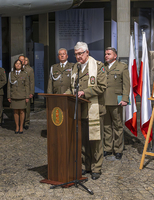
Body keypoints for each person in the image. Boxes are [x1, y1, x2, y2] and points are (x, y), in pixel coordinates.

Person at [65, 42, 107, 180]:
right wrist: (64, 95)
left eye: (80, 54)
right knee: (82, 140)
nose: (78, 57)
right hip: (80, 110)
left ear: (87, 53)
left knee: (95, 140)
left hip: (94, 109)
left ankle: (96, 167)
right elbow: (72, 87)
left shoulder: (98, 66)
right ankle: (85, 165)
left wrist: (85, 92)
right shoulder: (75, 68)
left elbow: (101, 87)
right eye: (76, 54)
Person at [103, 47, 130, 160]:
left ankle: (118, 149)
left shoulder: (122, 67)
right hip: (104, 101)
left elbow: (126, 84)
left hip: (116, 101)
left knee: (118, 126)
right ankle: (108, 148)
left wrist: (125, 98)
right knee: (106, 126)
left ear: (115, 56)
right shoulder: (102, 68)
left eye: (109, 54)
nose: (106, 56)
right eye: (105, 54)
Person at [7, 59, 29, 134]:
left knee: (22, 111)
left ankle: (21, 126)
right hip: (14, 95)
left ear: (22, 65)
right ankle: (17, 126)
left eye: (19, 64)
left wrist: (27, 96)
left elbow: (27, 86)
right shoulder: (11, 74)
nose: (18, 65)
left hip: (22, 95)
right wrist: (9, 96)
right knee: (15, 111)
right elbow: (9, 86)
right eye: (16, 64)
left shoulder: (24, 74)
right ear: (14, 65)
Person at [18, 55, 34, 130]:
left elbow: (32, 82)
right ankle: (19, 122)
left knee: (27, 108)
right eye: (20, 60)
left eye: (23, 60)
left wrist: (31, 92)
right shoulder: (16, 69)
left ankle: (26, 122)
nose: (21, 61)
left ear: (25, 61)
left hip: (27, 91)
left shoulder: (29, 69)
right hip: (18, 92)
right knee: (19, 108)